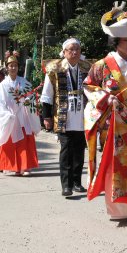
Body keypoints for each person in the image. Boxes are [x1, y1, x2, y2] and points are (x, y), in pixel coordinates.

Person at [83, 1, 127, 223]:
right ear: (116, 41)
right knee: (118, 165)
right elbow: (89, 86)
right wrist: (106, 98)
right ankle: (119, 209)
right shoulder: (102, 65)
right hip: (114, 123)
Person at [41, 38, 90, 196]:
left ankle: (76, 182)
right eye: (71, 49)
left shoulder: (86, 68)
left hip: (82, 114)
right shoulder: (54, 69)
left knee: (79, 151)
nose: (74, 52)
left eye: (77, 49)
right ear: (64, 52)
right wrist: (46, 116)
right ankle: (66, 185)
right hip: (64, 115)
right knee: (66, 150)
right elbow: (47, 95)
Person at [0, 51, 41, 176]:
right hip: (10, 117)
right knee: (10, 144)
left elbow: (32, 99)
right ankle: (12, 166)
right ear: (7, 68)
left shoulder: (25, 83)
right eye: (10, 65)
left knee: (24, 143)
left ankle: (24, 166)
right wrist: (7, 115)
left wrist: (29, 102)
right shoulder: (2, 86)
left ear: (18, 67)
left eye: (15, 66)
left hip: (23, 116)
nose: (13, 68)